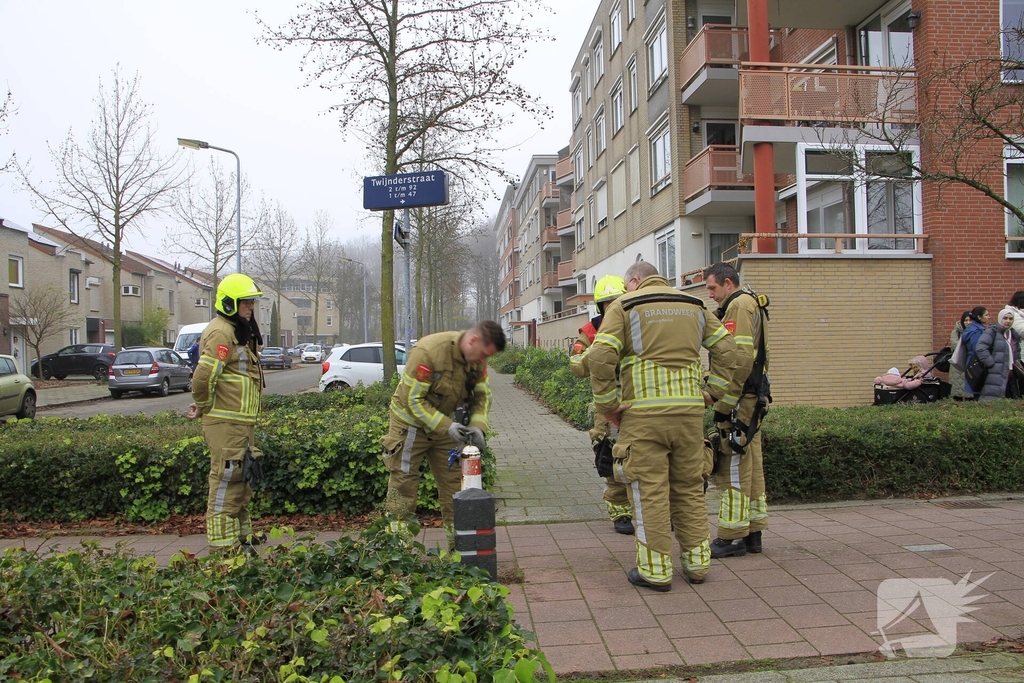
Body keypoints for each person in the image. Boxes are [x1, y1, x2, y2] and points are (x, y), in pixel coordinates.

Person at [589, 261, 738, 590]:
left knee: (649, 493)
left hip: (644, 419)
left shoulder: (625, 306)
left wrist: (608, 406)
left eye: (628, 285)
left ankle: (655, 572)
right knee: (689, 490)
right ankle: (698, 566)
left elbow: (600, 358)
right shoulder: (695, 304)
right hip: (689, 417)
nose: (628, 291)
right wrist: (713, 392)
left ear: (635, 280)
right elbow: (728, 349)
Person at [380, 320, 506, 539]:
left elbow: (482, 397)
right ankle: (397, 552)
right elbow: (414, 400)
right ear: (473, 340)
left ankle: (458, 551)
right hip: (409, 425)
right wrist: (448, 427)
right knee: (403, 486)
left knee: (455, 488)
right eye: (484, 354)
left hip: (443, 425)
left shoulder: (476, 361)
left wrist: (478, 427)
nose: (484, 361)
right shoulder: (427, 352)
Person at [187, 273, 266, 553]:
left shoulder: (236, 329)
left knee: (241, 482)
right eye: (245, 303)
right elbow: (204, 376)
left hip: (239, 422)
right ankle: (223, 549)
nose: (250, 307)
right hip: (226, 420)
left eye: (252, 302)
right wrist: (204, 406)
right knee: (226, 481)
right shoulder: (221, 331)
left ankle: (241, 538)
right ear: (230, 303)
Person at [703, 263, 771, 559]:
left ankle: (732, 536)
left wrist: (724, 403)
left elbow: (739, 359)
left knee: (733, 464)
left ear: (727, 283)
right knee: (751, 465)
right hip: (753, 396)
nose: (710, 295)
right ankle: (753, 532)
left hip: (740, 397)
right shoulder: (750, 301)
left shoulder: (738, 307)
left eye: (712, 288)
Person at [569, 274, 633, 535]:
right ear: (600, 306)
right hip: (607, 402)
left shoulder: (635, 322)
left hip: (636, 398)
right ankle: (621, 512)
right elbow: (576, 363)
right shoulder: (590, 330)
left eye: (616, 301)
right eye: (607, 303)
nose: (612, 307)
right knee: (610, 453)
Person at [974, 307, 1022, 401]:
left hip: (1011, 374)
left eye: (1010, 318)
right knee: (992, 399)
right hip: (995, 373)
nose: (1008, 321)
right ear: (1000, 319)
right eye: (1005, 318)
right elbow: (980, 348)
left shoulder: (1013, 334)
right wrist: (991, 363)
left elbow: (1017, 352)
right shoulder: (992, 331)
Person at [961, 307, 988, 399]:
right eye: (986, 315)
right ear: (979, 317)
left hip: (973, 360)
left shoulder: (974, 329)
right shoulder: (976, 331)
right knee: (977, 388)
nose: (988, 317)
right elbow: (978, 348)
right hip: (976, 362)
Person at [948, 311, 971, 400]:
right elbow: (955, 344)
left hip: (969, 363)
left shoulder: (976, 331)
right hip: (957, 363)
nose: (968, 323)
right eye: (966, 320)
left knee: (970, 393)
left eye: (970, 320)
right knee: (957, 390)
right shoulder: (956, 331)